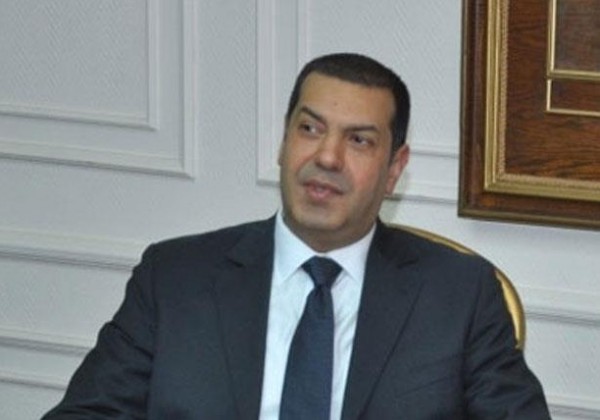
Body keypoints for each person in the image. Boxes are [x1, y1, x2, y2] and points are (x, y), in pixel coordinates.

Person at [43, 53, 550, 419]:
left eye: (358, 140)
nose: (327, 157)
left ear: (394, 169)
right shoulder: (175, 277)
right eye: (310, 129)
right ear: (283, 142)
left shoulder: (459, 295)